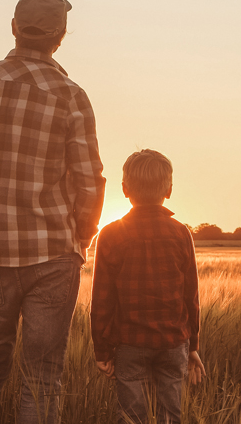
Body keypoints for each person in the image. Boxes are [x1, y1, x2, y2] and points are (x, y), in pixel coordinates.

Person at [0, 0, 106, 424]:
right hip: (53, 254)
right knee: (42, 378)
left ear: (14, 28)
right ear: (61, 37)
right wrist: (82, 236)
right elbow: (90, 180)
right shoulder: (70, 95)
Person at [90, 149, 205, 424]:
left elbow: (101, 301)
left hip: (129, 344)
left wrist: (102, 351)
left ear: (124, 188)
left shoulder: (110, 234)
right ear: (169, 189)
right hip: (173, 343)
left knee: (132, 417)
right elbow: (191, 297)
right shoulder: (181, 233)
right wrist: (192, 347)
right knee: (170, 416)